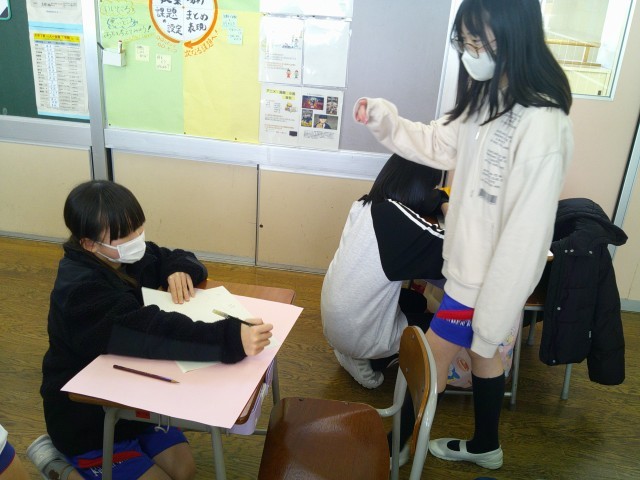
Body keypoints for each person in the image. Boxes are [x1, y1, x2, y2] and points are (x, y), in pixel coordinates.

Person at [355, 0, 573, 470]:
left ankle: (392, 452)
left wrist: (493, 314)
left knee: (429, 363)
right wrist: (386, 121)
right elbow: (438, 142)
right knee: (484, 356)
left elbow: (527, 237)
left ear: (515, 36)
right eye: (466, 43)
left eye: (480, 43)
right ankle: (486, 446)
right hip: (469, 272)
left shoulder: (543, 123)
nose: (471, 54)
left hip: (482, 285)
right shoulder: (489, 98)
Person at [31, 180, 273, 480]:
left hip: (132, 391)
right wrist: (230, 338)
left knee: (185, 471)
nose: (137, 239)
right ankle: (59, 465)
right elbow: (154, 333)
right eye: (125, 235)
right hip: (86, 419)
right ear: (89, 244)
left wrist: (179, 270)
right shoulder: (82, 293)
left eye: (138, 228)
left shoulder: (120, 256)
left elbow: (171, 256)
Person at [321, 153, 448, 389]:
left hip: (337, 322)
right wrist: (448, 207)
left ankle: (353, 350)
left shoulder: (366, 205)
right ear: (418, 187)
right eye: (431, 186)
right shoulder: (398, 222)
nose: (433, 191)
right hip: (358, 334)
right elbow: (452, 251)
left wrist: (439, 199)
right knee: (445, 327)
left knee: (418, 302)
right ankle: (368, 357)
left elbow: (431, 200)